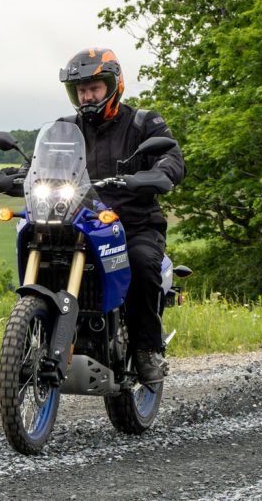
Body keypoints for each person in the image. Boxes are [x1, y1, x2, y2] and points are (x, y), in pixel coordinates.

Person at [58, 47, 185, 384]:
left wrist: (158, 174)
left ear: (113, 85)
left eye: (93, 88)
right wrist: (16, 174)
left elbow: (171, 154)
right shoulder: (66, 129)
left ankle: (147, 350)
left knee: (142, 265)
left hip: (135, 224)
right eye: (81, 90)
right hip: (83, 224)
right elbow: (44, 162)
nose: (87, 97)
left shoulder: (143, 122)